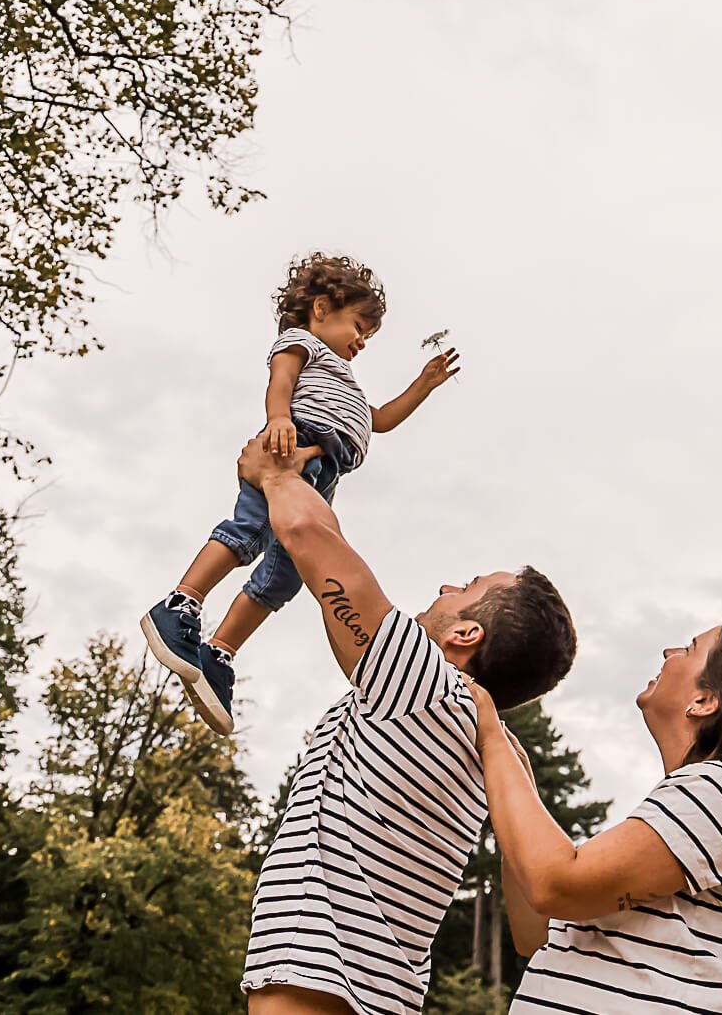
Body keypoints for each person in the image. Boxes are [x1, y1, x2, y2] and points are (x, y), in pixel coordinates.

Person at [233, 434, 577, 1015]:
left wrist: (274, 475)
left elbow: (312, 541)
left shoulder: (432, 688)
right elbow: (533, 932)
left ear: (464, 637)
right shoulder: (494, 746)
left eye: (468, 588)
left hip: (320, 985)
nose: (446, 587)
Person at [141, 252, 460, 734]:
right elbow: (281, 383)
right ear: (320, 308)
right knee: (248, 532)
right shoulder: (299, 344)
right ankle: (181, 602)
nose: (361, 342)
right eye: (358, 326)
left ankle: (219, 654)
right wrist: (279, 420)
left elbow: (382, 419)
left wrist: (424, 384)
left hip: (327, 470)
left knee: (288, 572)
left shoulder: (345, 378)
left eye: (367, 337)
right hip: (293, 444)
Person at [467, 618, 722, 1014]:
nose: (668, 653)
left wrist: (491, 736)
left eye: (688, 650)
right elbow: (532, 931)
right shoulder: (699, 807)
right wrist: (515, 790)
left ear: (704, 701)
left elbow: (554, 885)